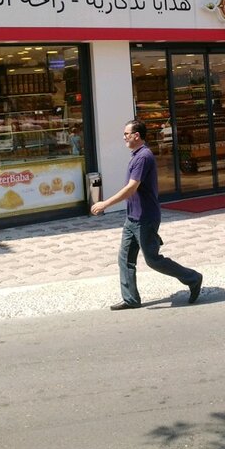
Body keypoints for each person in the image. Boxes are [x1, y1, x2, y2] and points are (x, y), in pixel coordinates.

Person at [90, 118, 203, 310]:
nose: (124, 137)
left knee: (152, 260)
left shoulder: (143, 157)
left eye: (126, 134)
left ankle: (192, 278)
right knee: (125, 259)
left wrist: (105, 203)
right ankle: (131, 299)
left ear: (137, 135)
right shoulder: (136, 155)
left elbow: (131, 188)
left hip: (146, 218)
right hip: (133, 217)